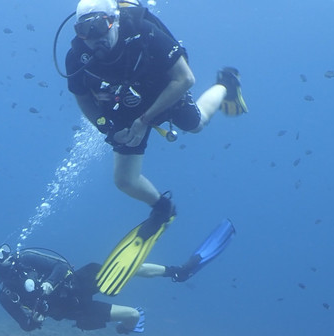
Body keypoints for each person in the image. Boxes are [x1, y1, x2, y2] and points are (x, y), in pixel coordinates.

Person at [65, 0, 247, 213]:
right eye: (85, 30)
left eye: (100, 26)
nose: (96, 38)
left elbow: (185, 79)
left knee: (197, 124)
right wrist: (105, 126)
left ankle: (225, 83)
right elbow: (82, 96)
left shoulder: (144, 32)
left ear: (114, 21)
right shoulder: (77, 57)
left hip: (164, 92)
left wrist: (144, 120)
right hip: (125, 106)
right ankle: (162, 207)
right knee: (125, 180)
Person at [0, 218, 235, 334]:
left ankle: (177, 272)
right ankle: (125, 332)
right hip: (73, 311)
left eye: (6, 249)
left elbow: (60, 266)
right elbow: (24, 325)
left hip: (78, 281)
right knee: (133, 316)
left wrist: (49, 284)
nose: (9, 253)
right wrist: (35, 320)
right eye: (3, 254)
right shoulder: (6, 295)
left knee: (126, 267)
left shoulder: (25, 257)